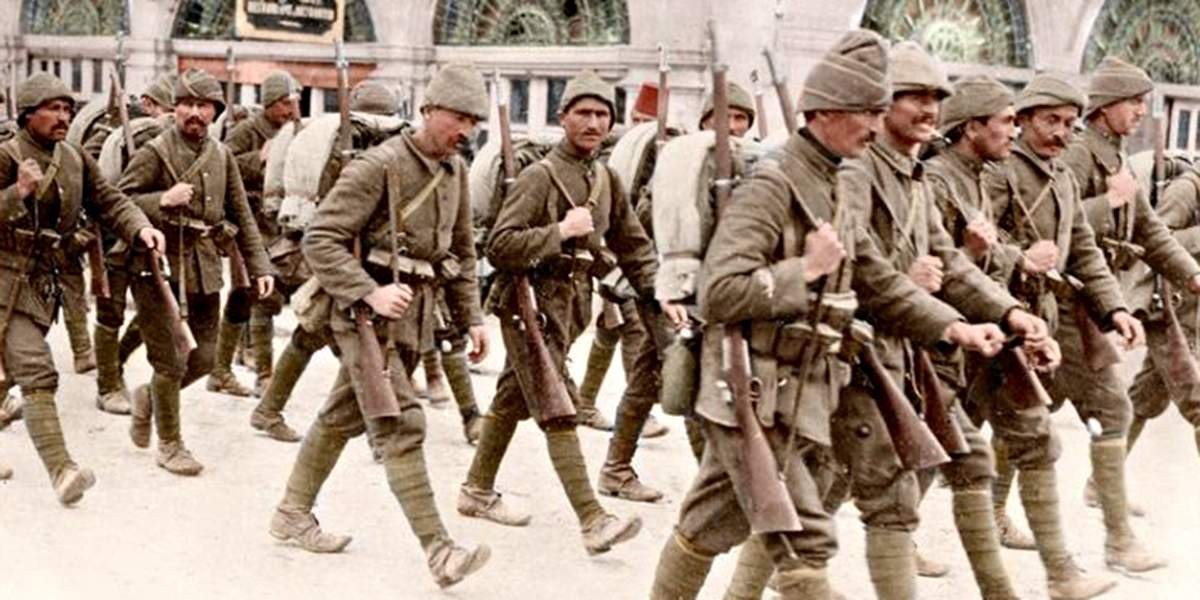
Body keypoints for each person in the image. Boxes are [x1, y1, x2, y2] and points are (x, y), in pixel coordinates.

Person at [646, 30, 1007, 600]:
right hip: (750, 386)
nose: (876, 125)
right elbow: (719, 292)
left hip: (806, 389)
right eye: (867, 112)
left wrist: (953, 326)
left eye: (879, 111)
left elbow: (877, 280)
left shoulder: (843, 181)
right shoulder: (772, 184)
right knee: (805, 544)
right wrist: (806, 270)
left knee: (710, 522)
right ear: (825, 113)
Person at [268, 63, 492, 589]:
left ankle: (291, 512)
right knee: (399, 422)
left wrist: (473, 318)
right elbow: (320, 238)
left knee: (343, 413)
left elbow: (461, 253)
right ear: (428, 110)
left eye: (474, 122)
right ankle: (439, 550)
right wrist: (368, 291)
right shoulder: (380, 165)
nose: (465, 130)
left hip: (413, 316)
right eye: (458, 118)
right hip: (364, 317)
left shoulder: (455, 171)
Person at [458, 69, 675, 554]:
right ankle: (592, 520)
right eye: (583, 113)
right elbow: (500, 246)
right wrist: (559, 231)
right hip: (528, 305)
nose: (593, 123)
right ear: (563, 117)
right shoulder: (540, 177)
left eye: (602, 114)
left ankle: (476, 490)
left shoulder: (605, 178)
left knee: (514, 395)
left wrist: (661, 292)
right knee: (557, 405)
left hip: (570, 305)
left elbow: (633, 245)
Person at [973, 73, 1136, 599]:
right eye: (1051, 121)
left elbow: (1083, 250)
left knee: (1024, 429)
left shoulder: (1060, 174)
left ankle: (1064, 562)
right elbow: (967, 235)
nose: (1062, 132)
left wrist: (1115, 309)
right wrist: (1018, 254)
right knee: (947, 432)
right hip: (990, 318)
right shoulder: (1001, 171)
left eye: (1069, 123)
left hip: (1035, 322)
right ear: (1021, 120)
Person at [1061, 58, 1200, 569]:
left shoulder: (1115, 156)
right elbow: (1056, 223)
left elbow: (1150, 231)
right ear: (1104, 107)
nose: (1141, 112)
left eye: (1145, 103)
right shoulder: (1078, 155)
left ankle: (1112, 531)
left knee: (1118, 404)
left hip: (1103, 300)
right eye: (1133, 103)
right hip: (1081, 300)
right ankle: (1115, 539)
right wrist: (1108, 204)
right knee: (1034, 412)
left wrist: (1192, 273)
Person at [0, 72, 163, 504]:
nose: (63, 117)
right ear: (27, 114)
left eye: (67, 109)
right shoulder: (6, 155)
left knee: (8, 372)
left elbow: (109, 200)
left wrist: (140, 228)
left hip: (44, 283)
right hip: (3, 280)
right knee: (35, 369)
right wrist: (18, 192)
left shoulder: (74, 158)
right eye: (52, 109)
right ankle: (63, 471)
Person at [118, 68, 274, 476]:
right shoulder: (154, 151)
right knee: (170, 360)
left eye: (203, 105)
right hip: (158, 266)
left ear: (215, 111)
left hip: (203, 265)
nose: (194, 113)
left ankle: (149, 398)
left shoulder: (221, 156)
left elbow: (242, 214)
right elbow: (120, 201)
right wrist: (162, 200)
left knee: (204, 358)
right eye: (186, 104)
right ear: (173, 109)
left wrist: (259, 265)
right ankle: (170, 444)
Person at [208, 70, 301, 398]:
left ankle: (234, 369)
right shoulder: (248, 130)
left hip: (277, 224)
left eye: (294, 102)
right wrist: (259, 158)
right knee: (250, 293)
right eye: (284, 103)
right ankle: (249, 372)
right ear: (270, 103)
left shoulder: (295, 132)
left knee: (262, 294)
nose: (290, 110)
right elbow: (222, 162)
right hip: (247, 221)